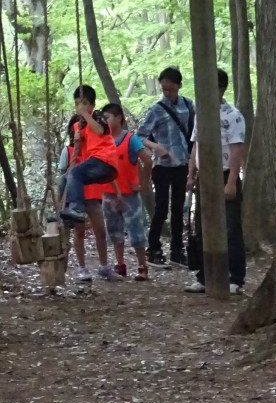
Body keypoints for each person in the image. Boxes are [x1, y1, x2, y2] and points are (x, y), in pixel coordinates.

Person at [185, 68, 247, 295]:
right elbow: (196, 145)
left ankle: (235, 278)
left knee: (230, 228)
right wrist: (191, 174)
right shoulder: (201, 113)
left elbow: (237, 149)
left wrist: (231, 182)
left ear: (221, 88)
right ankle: (205, 275)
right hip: (205, 177)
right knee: (202, 226)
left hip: (224, 174)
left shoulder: (233, 115)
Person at [59, 86, 121, 282]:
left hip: (91, 182)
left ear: (92, 105)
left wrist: (87, 115)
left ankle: (104, 266)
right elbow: (75, 149)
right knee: (79, 231)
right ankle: (82, 268)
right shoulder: (76, 128)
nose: (80, 107)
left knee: (99, 229)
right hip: (79, 178)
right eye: (77, 104)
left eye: (84, 103)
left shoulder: (98, 118)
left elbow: (100, 132)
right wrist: (77, 136)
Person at [100, 103, 168, 281]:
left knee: (136, 231)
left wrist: (143, 183)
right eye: (104, 118)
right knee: (114, 231)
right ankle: (120, 265)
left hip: (129, 194)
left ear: (119, 118)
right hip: (108, 193)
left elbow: (147, 160)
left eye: (108, 117)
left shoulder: (130, 139)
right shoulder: (104, 140)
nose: (106, 121)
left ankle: (142, 266)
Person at [136, 66, 195, 267]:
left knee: (178, 208)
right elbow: (140, 135)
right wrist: (156, 147)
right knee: (161, 208)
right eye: (164, 89)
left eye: (171, 88)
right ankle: (154, 248)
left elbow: (193, 134)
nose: (167, 93)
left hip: (183, 163)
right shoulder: (156, 109)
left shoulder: (188, 106)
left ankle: (177, 250)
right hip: (162, 166)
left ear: (179, 86)